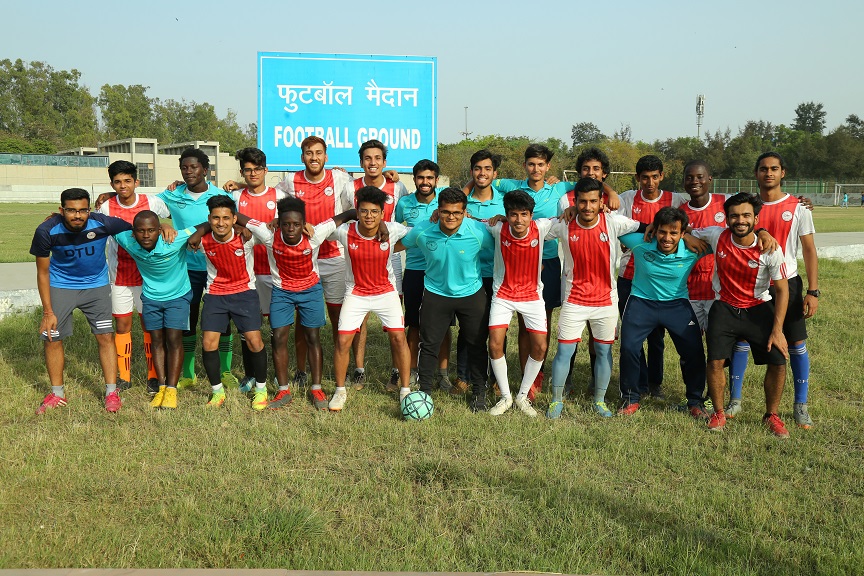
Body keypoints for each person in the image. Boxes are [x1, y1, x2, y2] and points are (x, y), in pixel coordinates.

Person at [233, 198, 359, 410]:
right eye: (286, 224)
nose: (291, 229)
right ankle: (283, 391)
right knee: (278, 338)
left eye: (296, 224)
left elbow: (348, 214)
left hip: (310, 291)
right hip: (282, 292)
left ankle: (316, 388)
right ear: (278, 223)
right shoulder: (268, 234)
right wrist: (228, 225)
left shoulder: (315, 233)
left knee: (313, 337)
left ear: (304, 223)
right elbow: (237, 215)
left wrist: (381, 225)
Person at [727, 152, 819, 429]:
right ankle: (735, 400)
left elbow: (809, 249)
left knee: (795, 344)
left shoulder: (799, 207)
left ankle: (800, 405)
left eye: (774, 169)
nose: (769, 173)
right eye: (764, 169)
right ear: (756, 173)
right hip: (752, 284)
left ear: (783, 173)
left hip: (786, 283)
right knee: (742, 341)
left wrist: (813, 291)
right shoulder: (746, 206)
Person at [546, 178, 645, 419]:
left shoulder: (614, 222)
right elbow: (528, 227)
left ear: (601, 201)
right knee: (564, 351)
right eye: (582, 201)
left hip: (605, 301)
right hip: (574, 300)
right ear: (575, 202)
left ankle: (599, 401)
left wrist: (686, 235)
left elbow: (646, 227)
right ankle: (556, 400)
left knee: (603, 351)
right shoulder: (563, 223)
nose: (587, 207)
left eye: (593, 201)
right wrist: (502, 219)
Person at [695, 193, 791, 437]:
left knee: (778, 361)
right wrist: (685, 235)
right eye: (734, 216)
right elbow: (687, 231)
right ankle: (718, 412)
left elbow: (782, 290)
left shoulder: (770, 249)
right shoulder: (717, 235)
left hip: (758, 308)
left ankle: (771, 415)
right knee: (715, 361)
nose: (740, 220)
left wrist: (777, 330)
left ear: (756, 219)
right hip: (725, 307)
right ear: (727, 218)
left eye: (746, 215)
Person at [31, 188, 133, 413]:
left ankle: (111, 392)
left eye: (82, 210)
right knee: (52, 337)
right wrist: (48, 312)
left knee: (105, 336)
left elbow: (138, 225)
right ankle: (57, 394)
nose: (77, 216)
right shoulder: (46, 230)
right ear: (61, 210)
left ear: (89, 210)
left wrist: (163, 226)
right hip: (61, 286)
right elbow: (42, 273)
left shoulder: (102, 223)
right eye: (71, 211)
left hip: (96, 286)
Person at [397, 188, 494, 411]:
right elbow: (394, 246)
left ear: (465, 212)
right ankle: (424, 394)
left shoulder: (478, 231)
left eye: (457, 213)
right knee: (429, 345)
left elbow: (504, 242)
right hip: (436, 294)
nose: (451, 217)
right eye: (446, 212)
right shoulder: (423, 230)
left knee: (477, 345)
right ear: (438, 211)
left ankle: (479, 392)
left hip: (471, 294)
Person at [616, 208, 710, 418]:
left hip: (676, 305)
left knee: (694, 351)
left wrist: (761, 233)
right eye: (662, 232)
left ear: (682, 233)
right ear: (655, 230)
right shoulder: (641, 242)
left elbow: (726, 238)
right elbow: (612, 224)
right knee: (629, 348)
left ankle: (695, 401)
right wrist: (644, 226)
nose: (667, 238)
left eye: (674, 233)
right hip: (641, 303)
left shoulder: (694, 248)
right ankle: (630, 398)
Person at [326, 186, 411, 411]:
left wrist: (391, 241)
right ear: (357, 212)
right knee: (343, 341)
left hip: (386, 292)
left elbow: (416, 234)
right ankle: (340, 391)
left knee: (399, 338)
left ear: (382, 213)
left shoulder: (392, 229)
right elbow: (321, 229)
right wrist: (346, 215)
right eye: (364, 211)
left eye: (374, 212)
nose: (369, 216)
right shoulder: (346, 231)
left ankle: (405, 390)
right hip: (356, 293)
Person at [113, 211, 205, 409]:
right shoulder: (127, 240)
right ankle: (161, 387)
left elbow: (204, 224)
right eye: (141, 231)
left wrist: (195, 235)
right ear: (133, 232)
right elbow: (107, 224)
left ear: (159, 230)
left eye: (151, 230)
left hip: (178, 297)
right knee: (156, 341)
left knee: (173, 339)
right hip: (151, 299)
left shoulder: (174, 239)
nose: (146, 235)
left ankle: (172, 390)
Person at [615, 155, 688, 401]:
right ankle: (640, 382)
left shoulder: (676, 200)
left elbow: (690, 222)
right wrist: (641, 228)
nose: (650, 182)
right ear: (637, 178)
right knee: (633, 336)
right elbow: (615, 222)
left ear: (661, 176)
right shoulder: (627, 198)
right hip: (629, 276)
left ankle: (655, 383)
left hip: (660, 281)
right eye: (644, 178)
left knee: (657, 337)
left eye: (654, 177)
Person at [340, 139, 409, 390]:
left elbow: (403, 221)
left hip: (388, 259)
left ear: (384, 162)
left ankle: (395, 372)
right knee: (359, 317)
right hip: (358, 257)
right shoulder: (350, 187)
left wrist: (387, 238)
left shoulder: (397, 186)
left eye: (377, 158)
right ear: (361, 162)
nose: (373, 163)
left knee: (393, 321)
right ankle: (359, 370)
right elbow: (349, 217)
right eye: (367, 158)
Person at [187, 196, 268, 410]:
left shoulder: (246, 237)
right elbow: (181, 235)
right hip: (216, 294)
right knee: (208, 343)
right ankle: (217, 392)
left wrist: (245, 226)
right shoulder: (202, 241)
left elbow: (266, 231)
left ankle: (261, 390)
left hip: (244, 293)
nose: (220, 223)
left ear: (234, 219)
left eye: (226, 218)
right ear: (209, 219)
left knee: (254, 341)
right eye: (215, 218)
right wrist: (199, 231)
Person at [99, 160, 172, 394]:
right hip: (119, 277)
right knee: (122, 326)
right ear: (112, 184)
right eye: (117, 182)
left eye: (127, 181)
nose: (123, 186)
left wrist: (166, 225)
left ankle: (153, 376)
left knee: (150, 326)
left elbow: (173, 213)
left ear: (136, 182)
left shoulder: (152, 202)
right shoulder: (106, 207)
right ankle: (124, 376)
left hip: (148, 277)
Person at [485, 191, 556, 417]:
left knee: (540, 347)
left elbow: (568, 219)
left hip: (532, 296)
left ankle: (522, 396)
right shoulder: (498, 228)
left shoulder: (541, 227)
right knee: (495, 344)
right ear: (506, 215)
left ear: (531, 215)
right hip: (503, 295)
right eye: (513, 215)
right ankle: (506, 397)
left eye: (524, 214)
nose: (519, 220)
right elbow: (469, 221)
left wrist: (572, 210)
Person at [222, 148, 286, 393]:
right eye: (247, 170)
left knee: (277, 328)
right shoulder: (236, 196)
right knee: (248, 327)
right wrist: (239, 227)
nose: (253, 174)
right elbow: (225, 219)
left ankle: (276, 374)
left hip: (274, 271)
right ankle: (251, 374)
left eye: (257, 169)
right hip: (246, 273)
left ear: (265, 170)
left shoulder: (279, 195)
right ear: (242, 172)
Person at [394, 159, 452, 391]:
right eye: (420, 177)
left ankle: (443, 374)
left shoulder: (444, 201)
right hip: (415, 271)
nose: (425, 182)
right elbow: (393, 230)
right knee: (414, 324)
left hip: (441, 272)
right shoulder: (404, 203)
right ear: (414, 179)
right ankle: (412, 371)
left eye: (429, 178)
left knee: (444, 326)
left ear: (436, 180)